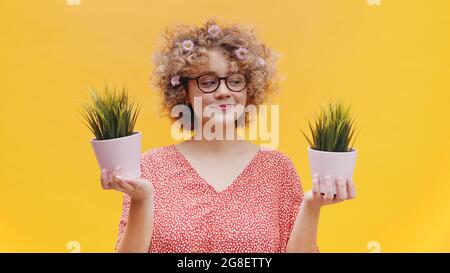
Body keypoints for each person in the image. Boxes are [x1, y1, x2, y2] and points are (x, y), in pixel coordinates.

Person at [100, 19, 356, 253]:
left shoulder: (278, 169)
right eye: (208, 82)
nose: (224, 92)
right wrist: (142, 199)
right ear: (184, 93)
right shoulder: (150, 167)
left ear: (249, 90)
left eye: (234, 80)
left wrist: (312, 206)